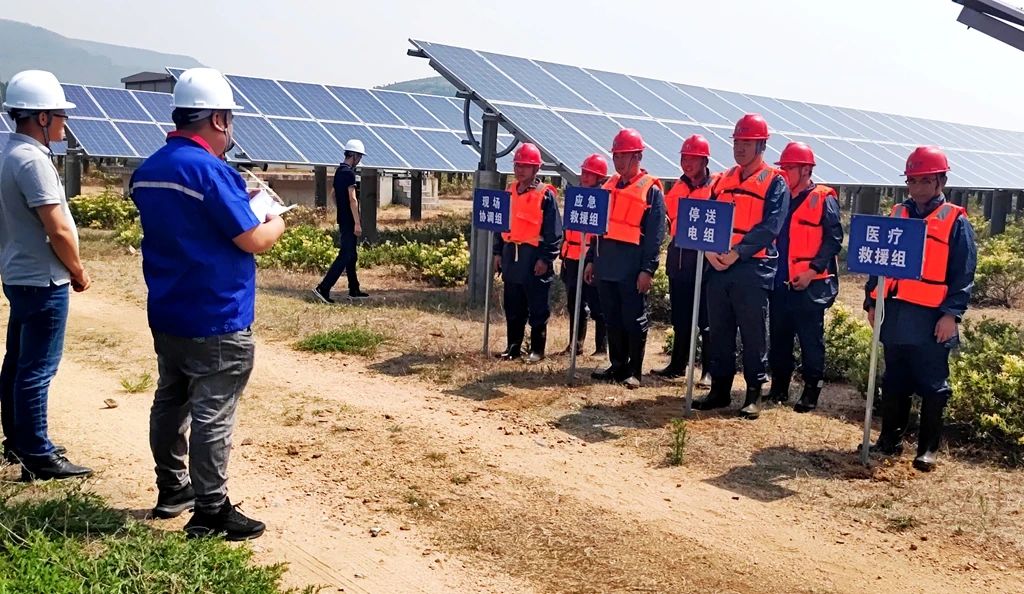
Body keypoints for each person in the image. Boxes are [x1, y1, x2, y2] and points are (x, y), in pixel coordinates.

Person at [130, 68, 285, 540]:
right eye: (229, 119)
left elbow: (189, 224)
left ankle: (171, 488)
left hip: (169, 309)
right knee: (213, 412)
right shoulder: (211, 171)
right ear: (218, 119)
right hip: (216, 315)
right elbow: (253, 238)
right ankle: (211, 510)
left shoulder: (149, 170)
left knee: (171, 399)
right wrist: (275, 218)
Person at [0, 69, 92, 480]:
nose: (64, 123)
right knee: (38, 368)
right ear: (41, 117)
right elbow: (56, 229)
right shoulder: (33, 161)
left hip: (19, 273)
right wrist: (77, 269)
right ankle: (38, 454)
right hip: (43, 279)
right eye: (60, 115)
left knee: (18, 362)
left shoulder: (8, 154)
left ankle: (18, 442)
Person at [865, 146, 976, 472]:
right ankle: (889, 441)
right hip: (896, 313)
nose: (918, 187)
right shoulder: (897, 214)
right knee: (894, 380)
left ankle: (927, 449)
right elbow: (878, 262)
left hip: (931, 317)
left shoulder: (955, 221)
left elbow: (964, 273)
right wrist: (872, 301)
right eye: (913, 181)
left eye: (926, 180)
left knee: (933, 385)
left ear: (941, 181)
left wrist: (951, 315)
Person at [692, 114, 789, 419]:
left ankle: (753, 393)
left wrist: (737, 253)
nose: (740, 147)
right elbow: (705, 217)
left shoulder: (775, 181)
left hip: (752, 268)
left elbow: (771, 226)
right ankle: (719, 390)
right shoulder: (721, 179)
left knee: (753, 332)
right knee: (719, 330)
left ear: (761, 145)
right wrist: (709, 253)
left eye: (747, 142)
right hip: (717, 266)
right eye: (737, 141)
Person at [584, 129, 666, 389]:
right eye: (616, 155)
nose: (618, 161)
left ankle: (634, 371)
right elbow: (596, 228)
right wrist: (591, 259)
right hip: (606, 262)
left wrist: (648, 270)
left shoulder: (651, 190)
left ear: (638, 156)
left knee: (633, 318)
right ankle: (617, 365)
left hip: (632, 267)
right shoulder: (607, 186)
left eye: (624, 155)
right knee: (612, 317)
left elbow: (655, 236)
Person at [768, 142, 843, 412]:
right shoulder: (780, 198)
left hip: (809, 284)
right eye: (783, 167)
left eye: (789, 167)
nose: (784, 172)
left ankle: (811, 391)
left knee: (811, 341)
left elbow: (834, 240)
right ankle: (778, 388)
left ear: (806, 170)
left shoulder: (823, 198)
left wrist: (811, 271)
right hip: (780, 282)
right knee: (779, 339)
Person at [651, 135, 716, 383]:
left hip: (706, 264)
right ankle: (677, 365)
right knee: (680, 318)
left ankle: (708, 371)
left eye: (692, 158)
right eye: (684, 158)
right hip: (679, 262)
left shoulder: (716, 187)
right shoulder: (677, 188)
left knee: (707, 321)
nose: (687, 163)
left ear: (704, 161)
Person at [493, 143, 562, 363]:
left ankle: (537, 350)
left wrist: (545, 258)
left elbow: (553, 232)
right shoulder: (509, 192)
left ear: (536, 169)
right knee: (513, 305)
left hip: (534, 257)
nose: (520, 170)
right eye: (517, 165)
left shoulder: (545, 195)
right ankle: (513, 347)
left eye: (525, 166)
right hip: (511, 255)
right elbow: (499, 225)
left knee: (537, 306)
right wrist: (497, 252)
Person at [560, 154, 608, 356]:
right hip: (571, 257)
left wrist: (595, 260)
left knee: (598, 305)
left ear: (600, 177)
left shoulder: (604, 199)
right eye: (584, 172)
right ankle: (575, 345)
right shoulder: (575, 196)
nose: (585, 176)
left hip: (592, 258)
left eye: (590, 173)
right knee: (574, 303)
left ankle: (601, 347)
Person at [313, 140, 368, 303]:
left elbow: (333, 194)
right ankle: (323, 288)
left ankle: (354, 289)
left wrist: (341, 209)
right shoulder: (349, 174)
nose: (359, 160)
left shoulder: (339, 171)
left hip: (343, 218)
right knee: (345, 255)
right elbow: (353, 199)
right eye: (359, 157)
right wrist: (357, 222)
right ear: (354, 156)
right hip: (350, 221)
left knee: (352, 254)